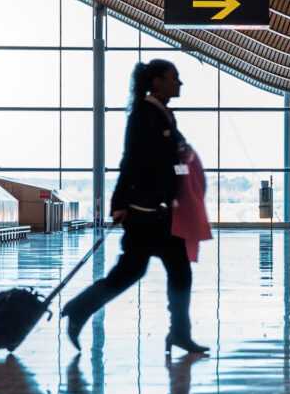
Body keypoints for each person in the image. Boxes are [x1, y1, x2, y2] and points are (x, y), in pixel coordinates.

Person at [61, 59, 209, 355]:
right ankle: (78, 309)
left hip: (162, 214)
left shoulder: (163, 115)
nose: (180, 83)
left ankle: (180, 334)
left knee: (178, 273)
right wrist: (118, 203)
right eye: (174, 77)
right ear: (157, 82)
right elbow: (130, 159)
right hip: (145, 215)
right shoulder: (144, 114)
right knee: (129, 273)